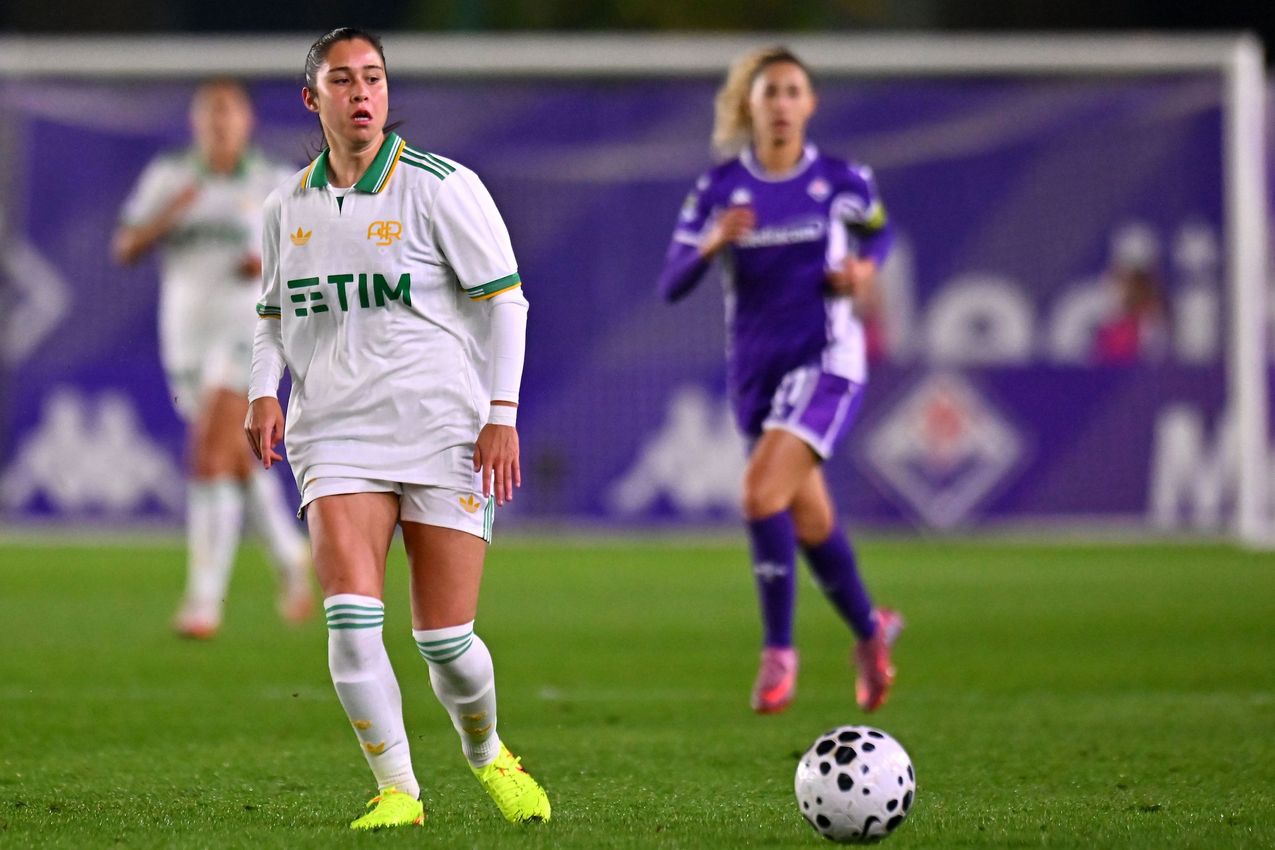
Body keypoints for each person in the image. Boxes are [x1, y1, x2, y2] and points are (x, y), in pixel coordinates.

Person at [244, 28, 549, 830]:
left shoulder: (442, 188)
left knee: (446, 640)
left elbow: (505, 302)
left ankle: (487, 755)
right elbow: (271, 316)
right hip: (333, 434)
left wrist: (500, 416)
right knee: (349, 618)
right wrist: (261, 393)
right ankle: (398, 792)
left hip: (441, 430)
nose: (361, 94)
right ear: (312, 100)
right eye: (341, 81)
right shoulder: (287, 204)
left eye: (372, 77)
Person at [657, 47, 904, 715]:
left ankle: (778, 650)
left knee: (759, 494)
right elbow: (671, 282)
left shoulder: (840, 179)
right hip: (756, 372)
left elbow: (877, 234)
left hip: (825, 359)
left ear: (809, 104)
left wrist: (862, 271)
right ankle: (869, 630)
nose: (782, 103)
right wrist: (710, 243)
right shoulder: (717, 191)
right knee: (809, 516)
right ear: (749, 105)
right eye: (769, 92)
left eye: (793, 91)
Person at [113, 78, 313, 639]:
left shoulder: (272, 181)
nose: (221, 124)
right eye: (211, 115)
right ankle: (289, 555)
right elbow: (124, 248)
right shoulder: (169, 175)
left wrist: (269, 268)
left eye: (231, 114)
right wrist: (165, 220)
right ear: (197, 123)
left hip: (246, 335)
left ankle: (203, 602)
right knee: (232, 458)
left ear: (246, 123)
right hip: (185, 340)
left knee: (206, 456)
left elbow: (306, 255)